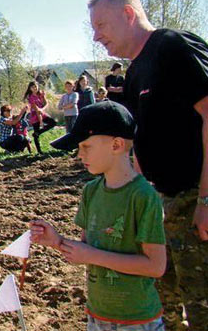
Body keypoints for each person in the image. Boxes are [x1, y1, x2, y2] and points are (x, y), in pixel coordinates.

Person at [88, 0, 208, 329]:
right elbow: (140, 142)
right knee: (163, 305)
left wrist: (205, 199)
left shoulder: (173, 47)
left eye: (101, 25)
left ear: (128, 14)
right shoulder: (135, 71)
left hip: (192, 201)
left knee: (201, 303)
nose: (97, 37)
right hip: (160, 206)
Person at [33, 101, 167, 330]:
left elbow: (155, 266)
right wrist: (57, 242)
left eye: (86, 146)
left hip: (137, 320)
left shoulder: (144, 196)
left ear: (116, 144)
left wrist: (94, 256)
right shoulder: (91, 191)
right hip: (97, 315)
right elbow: (87, 248)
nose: (79, 155)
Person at [23, 81, 57, 154]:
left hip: (42, 112)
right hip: (35, 115)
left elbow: (46, 103)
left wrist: (42, 109)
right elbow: (37, 110)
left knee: (53, 122)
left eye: (35, 86)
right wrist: (41, 122)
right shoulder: (31, 97)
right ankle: (39, 151)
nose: (34, 88)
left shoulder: (41, 94)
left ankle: (39, 132)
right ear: (30, 89)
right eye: (32, 87)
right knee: (36, 135)